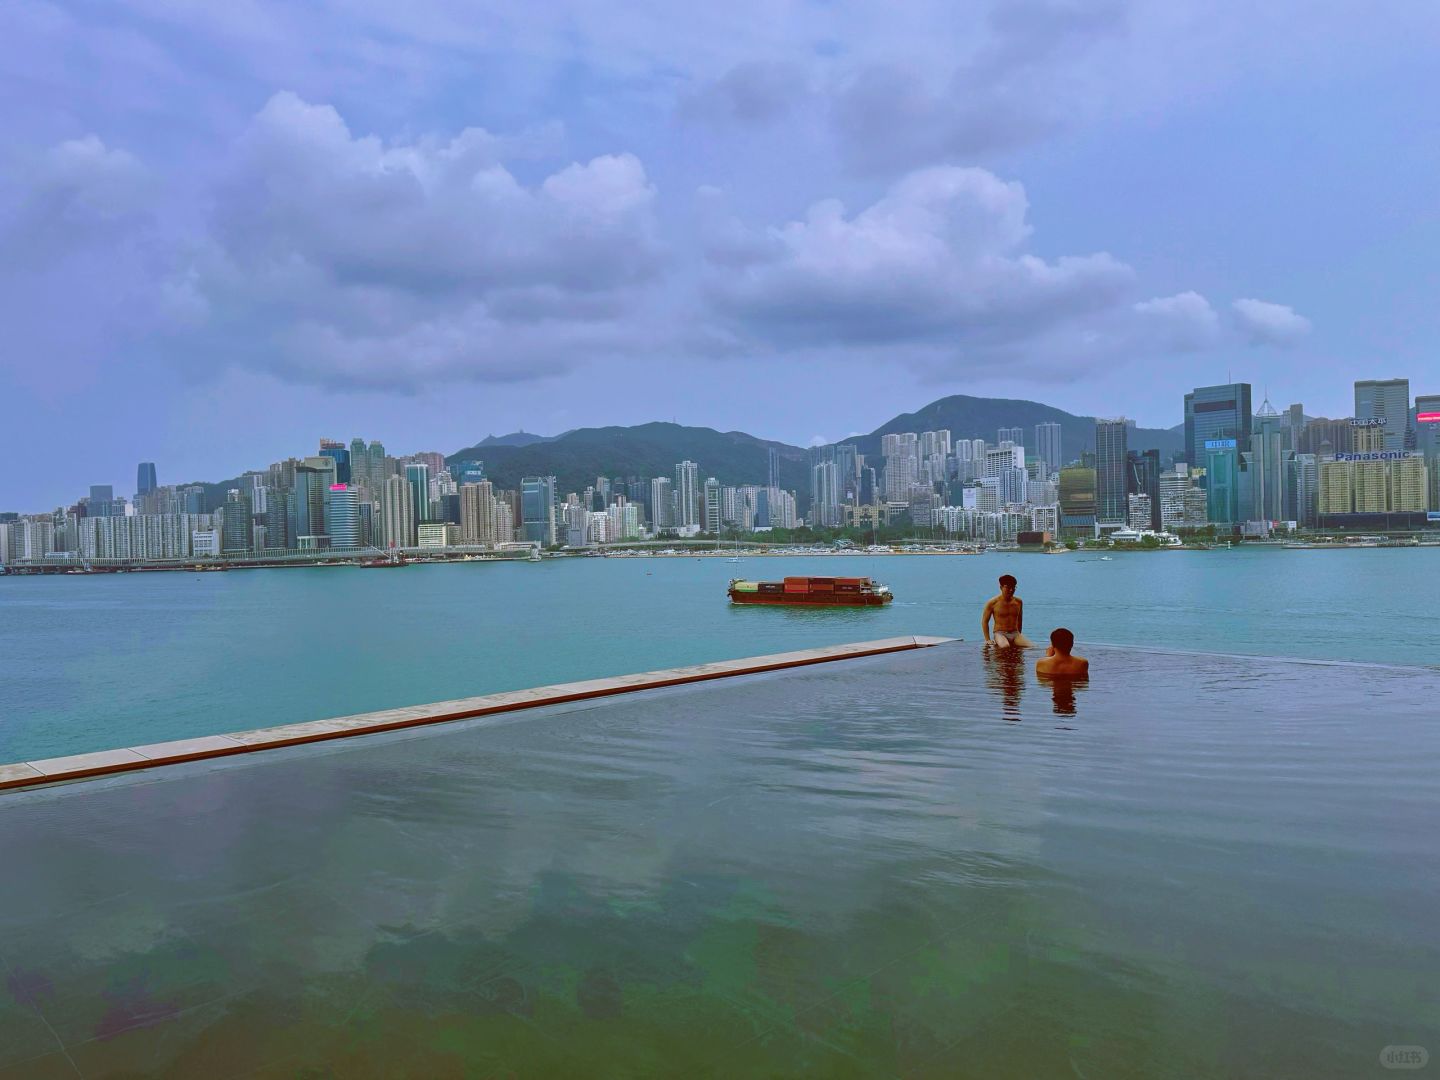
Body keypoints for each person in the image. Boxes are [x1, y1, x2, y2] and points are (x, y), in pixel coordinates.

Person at [982, 574, 1032, 648]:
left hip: (1015, 633)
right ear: (1001, 587)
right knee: (1005, 646)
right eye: (1008, 587)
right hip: (1000, 633)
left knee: (1031, 647)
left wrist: (1019, 634)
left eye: (1013, 587)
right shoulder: (992, 603)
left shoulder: (1018, 602)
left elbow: (1020, 619)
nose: (1011, 590)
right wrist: (987, 639)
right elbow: (985, 621)